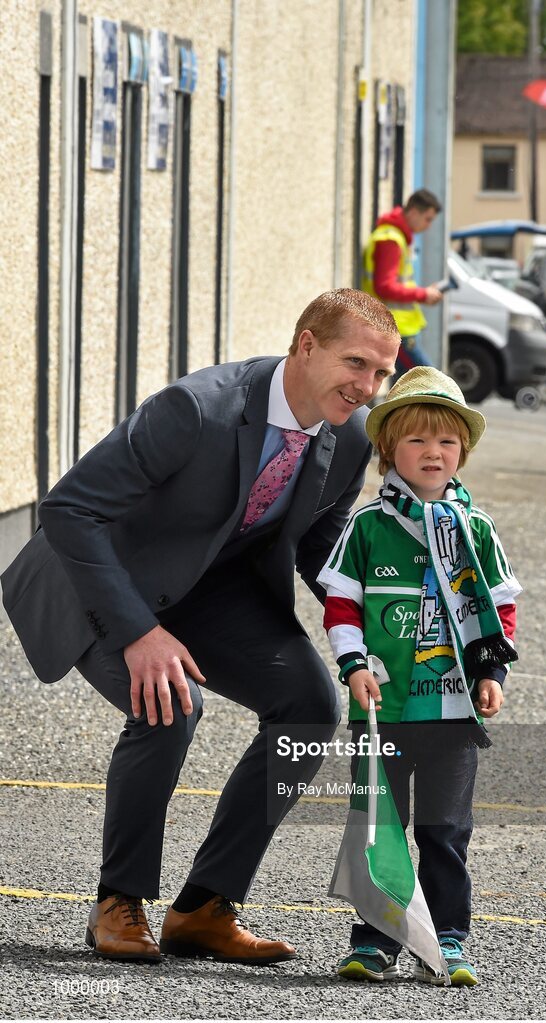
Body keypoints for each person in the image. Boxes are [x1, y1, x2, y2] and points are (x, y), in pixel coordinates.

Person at [1, 289, 401, 964]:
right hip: (103, 579)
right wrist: (137, 633)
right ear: (306, 345)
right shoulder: (198, 409)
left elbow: (321, 549)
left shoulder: (354, 434)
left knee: (309, 705)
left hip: (207, 585)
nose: (367, 386)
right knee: (170, 700)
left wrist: (375, 634)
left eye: (381, 372)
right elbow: (69, 509)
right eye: (355, 362)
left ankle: (206, 906)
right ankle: (118, 902)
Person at [317, 366, 521, 985]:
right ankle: (375, 939)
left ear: (462, 451)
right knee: (379, 828)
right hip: (383, 709)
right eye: (417, 441)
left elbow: (500, 605)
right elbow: (341, 606)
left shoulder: (476, 529)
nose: (434, 452)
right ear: (389, 450)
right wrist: (353, 665)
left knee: (445, 830)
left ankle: (450, 938)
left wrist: (493, 673)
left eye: (447, 442)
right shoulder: (368, 527)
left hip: (452, 713)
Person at [362, 188, 444, 376]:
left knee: (405, 388)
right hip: (395, 329)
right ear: (414, 212)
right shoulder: (390, 240)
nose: (428, 226)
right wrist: (423, 294)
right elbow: (384, 287)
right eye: (428, 219)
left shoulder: (395, 237)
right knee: (431, 381)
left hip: (394, 328)